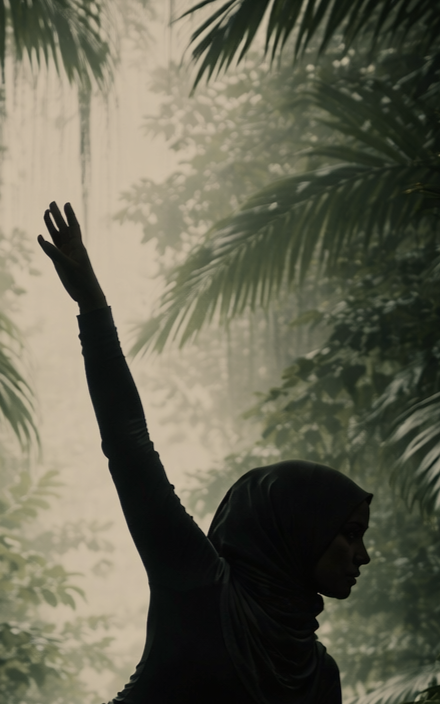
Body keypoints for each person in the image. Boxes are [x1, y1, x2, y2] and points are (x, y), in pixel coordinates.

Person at [38, 201, 372, 704]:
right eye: (349, 535)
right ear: (300, 531)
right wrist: (93, 308)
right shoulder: (198, 585)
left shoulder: (320, 675)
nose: (363, 556)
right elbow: (129, 445)